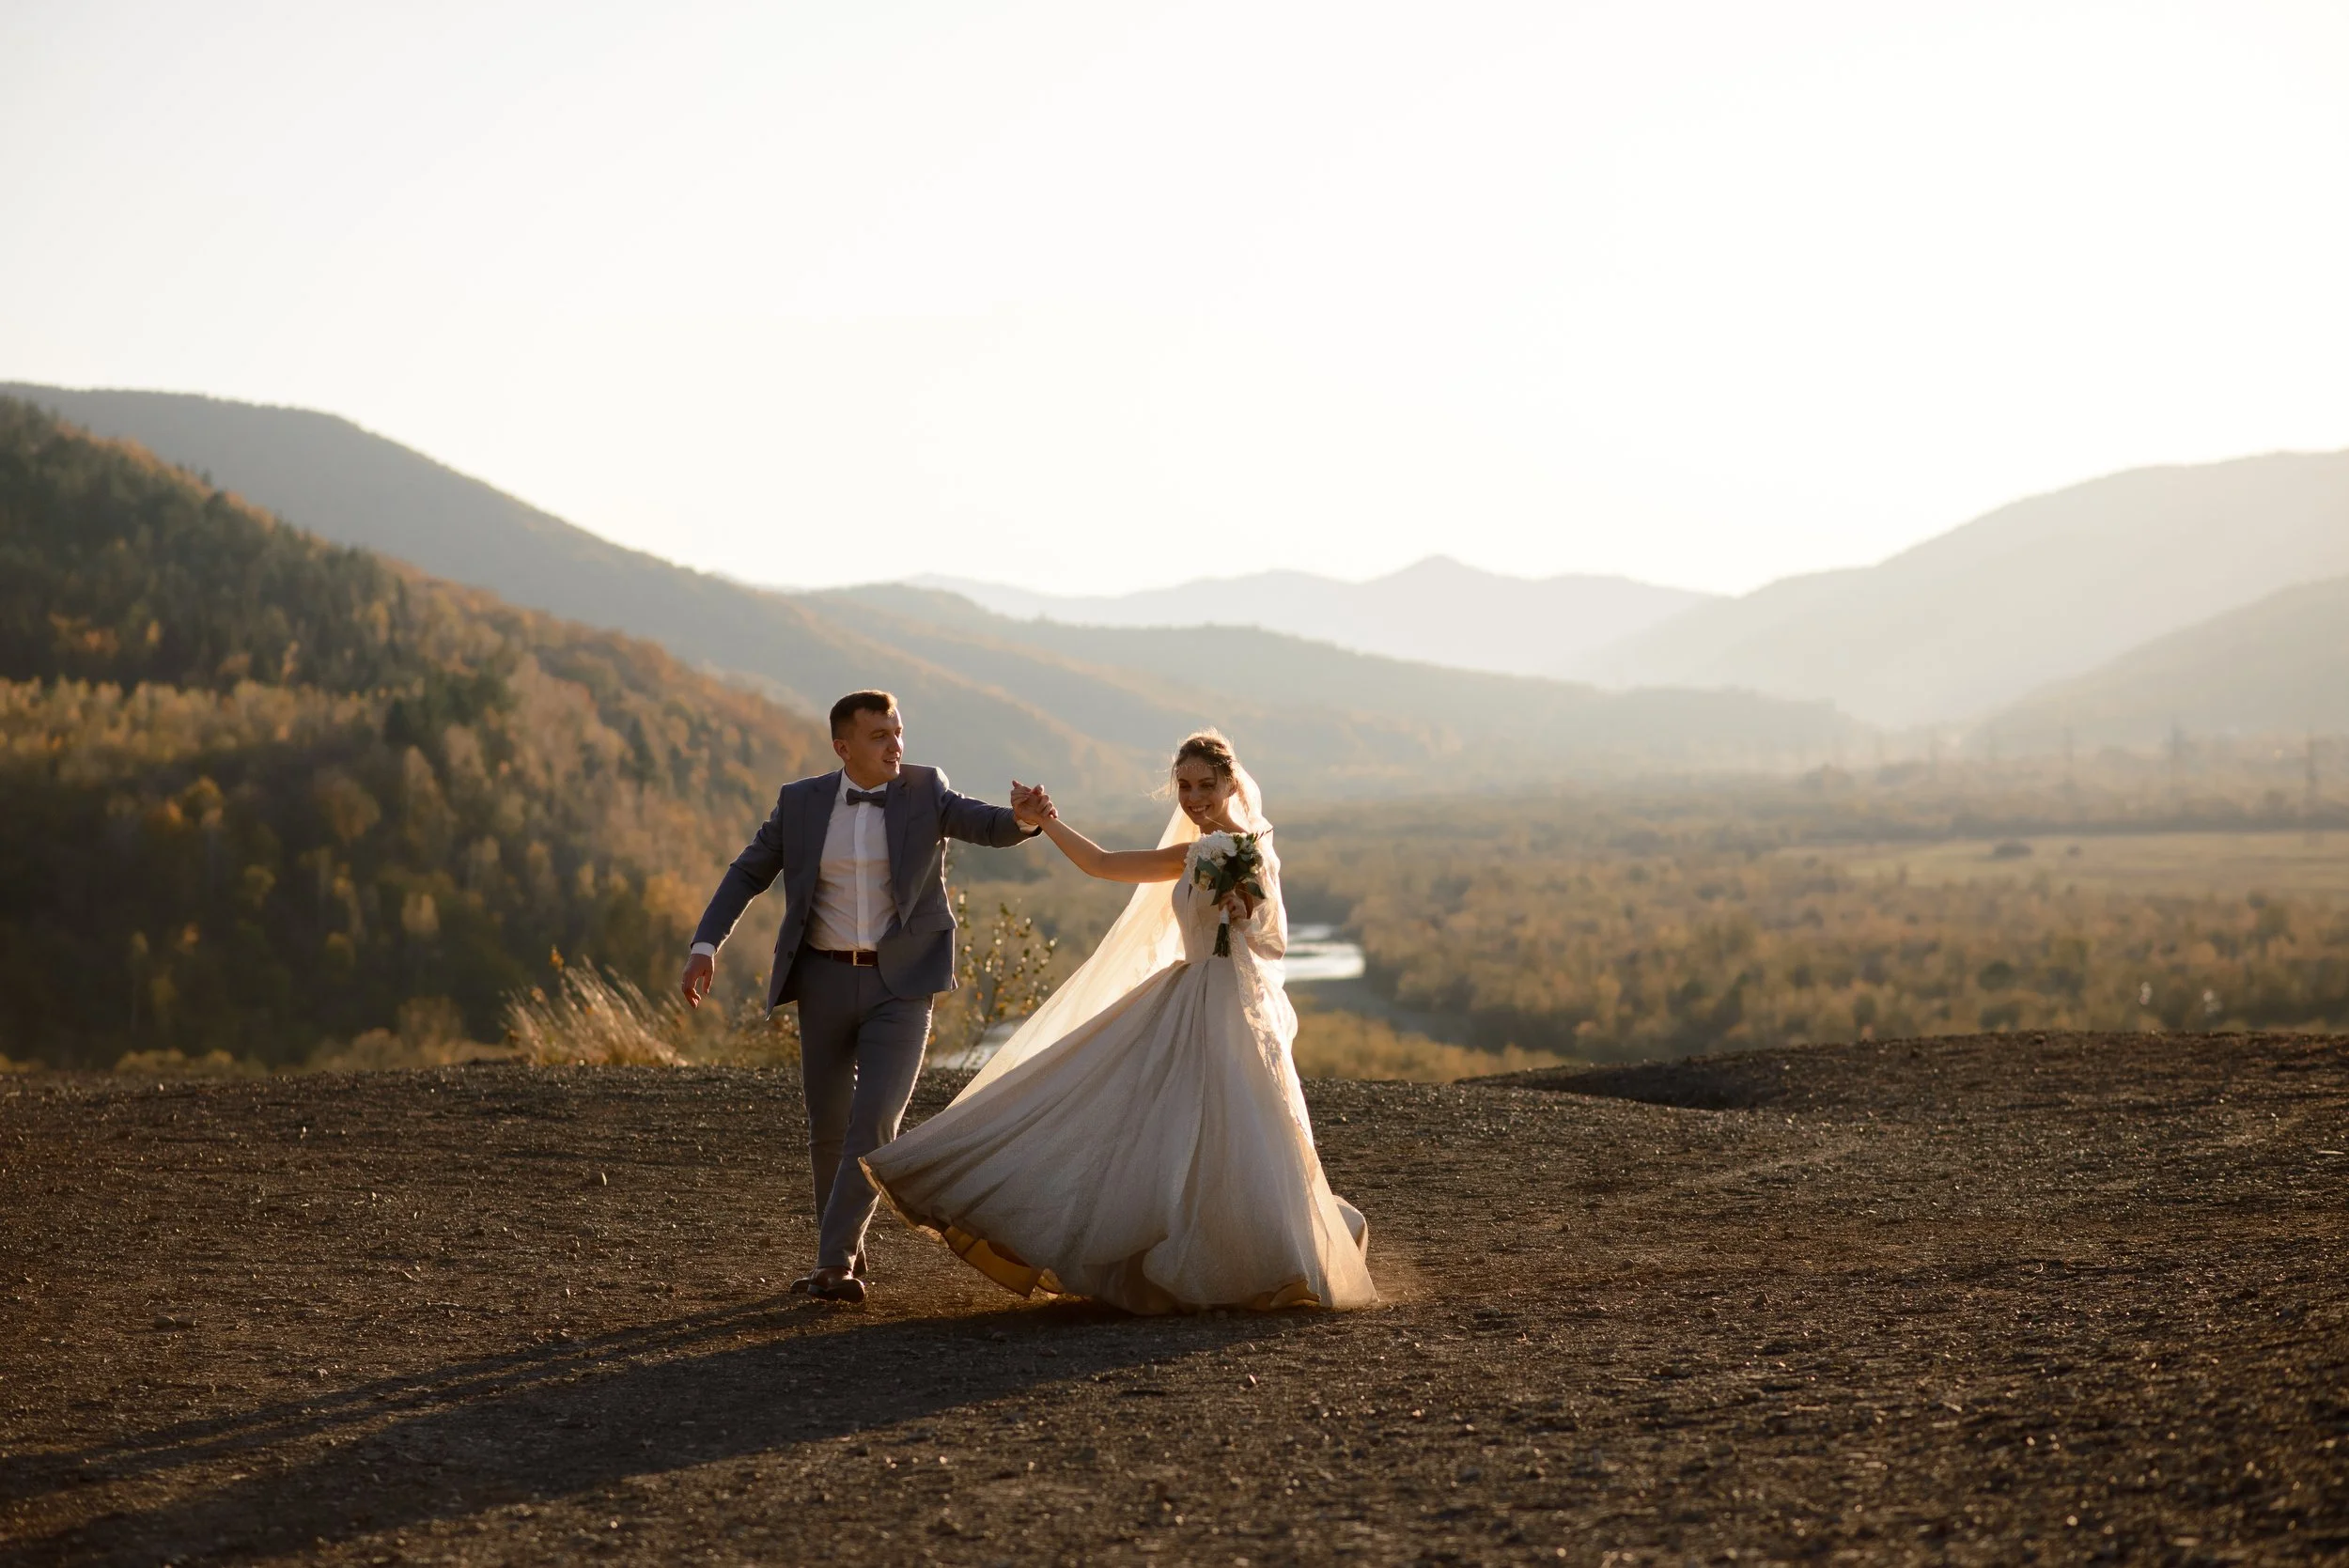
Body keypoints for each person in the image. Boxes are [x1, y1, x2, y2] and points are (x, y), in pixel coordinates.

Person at [861, 731, 1377, 1313]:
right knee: (1140, 1115)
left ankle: (1267, 1257)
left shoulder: (1248, 848)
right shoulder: (1197, 850)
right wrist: (1046, 820)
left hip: (1230, 1004)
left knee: (1239, 1130)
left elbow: (1260, 913)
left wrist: (1242, 906)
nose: (1195, 797)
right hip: (1187, 995)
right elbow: (1103, 864)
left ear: (1232, 783)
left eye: (1207, 785)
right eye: (1184, 785)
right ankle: (1183, 1249)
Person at [680, 691, 1052, 1303]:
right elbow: (748, 871)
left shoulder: (926, 789)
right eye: (879, 735)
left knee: (876, 1121)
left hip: (901, 985)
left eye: (899, 731)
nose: (895, 745)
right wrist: (705, 944)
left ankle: (832, 1263)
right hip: (821, 979)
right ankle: (845, 1252)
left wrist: (1023, 819)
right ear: (843, 746)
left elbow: (983, 824)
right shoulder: (800, 803)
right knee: (827, 1127)